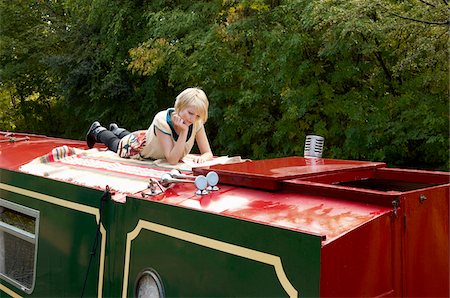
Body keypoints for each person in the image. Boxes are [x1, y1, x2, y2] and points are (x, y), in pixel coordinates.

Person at [86, 87, 213, 165]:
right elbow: (173, 159)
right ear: (179, 107)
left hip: (150, 139)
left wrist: (203, 158)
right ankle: (98, 130)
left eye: (197, 115)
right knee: (117, 144)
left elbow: (207, 153)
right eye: (190, 113)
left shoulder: (196, 123)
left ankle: (117, 129)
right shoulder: (162, 120)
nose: (193, 118)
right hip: (140, 147)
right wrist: (184, 132)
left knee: (134, 135)